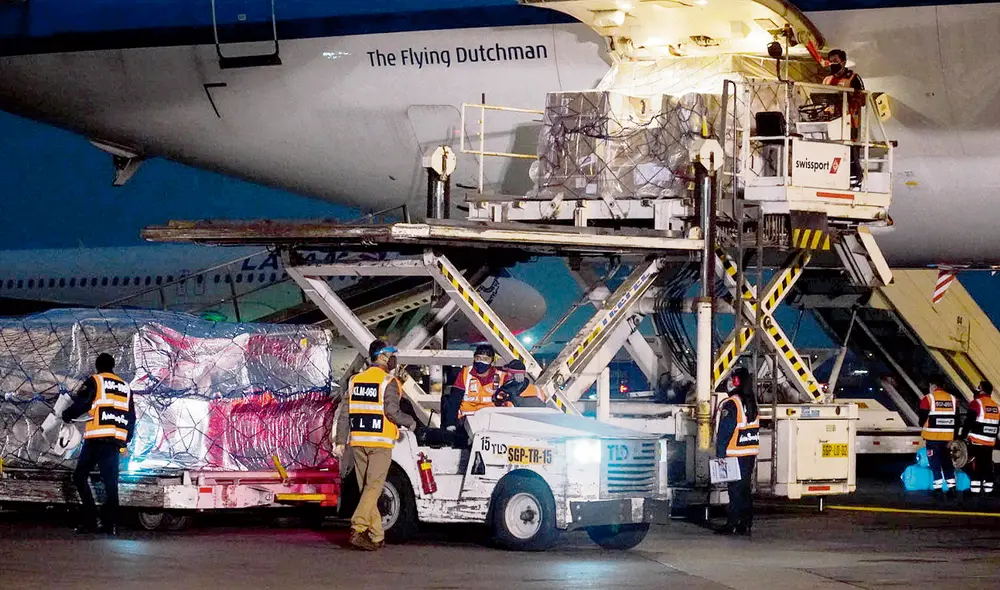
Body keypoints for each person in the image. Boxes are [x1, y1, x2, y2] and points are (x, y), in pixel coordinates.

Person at [334, 339, 416, 551]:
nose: (393, 360)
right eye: (390, 355)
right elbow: (392, 412)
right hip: (380, 443)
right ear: (382, 356)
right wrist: (411, 422)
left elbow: (345, 414)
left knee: (367, 490)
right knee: (373, 488)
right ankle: (358, 527)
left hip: (358, 442)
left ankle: (377, 535)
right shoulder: (388, 381)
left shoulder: (355, 380)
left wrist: (340, 440)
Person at [61, 353, 135, 536]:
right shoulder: (125, 387)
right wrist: (125, 441)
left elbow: (84, 402)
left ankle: (90, 520)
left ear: (97, 365)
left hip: (96, 439)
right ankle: (111, 525)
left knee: (79, 477)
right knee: (111, 484)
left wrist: (68, 414)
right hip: (114, 441)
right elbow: (131, 417)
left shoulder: (96, 381)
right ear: (113, 366)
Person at [715, 367, 759, 535]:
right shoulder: (751, 402)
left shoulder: (732, 403)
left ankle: (732, 524)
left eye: (730, 379)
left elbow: (725, 430)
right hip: (749, 453)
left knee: (734, 491)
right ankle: (745, 523)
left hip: (734, 454)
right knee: (745, 490)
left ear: (736, 382)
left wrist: (720, 453)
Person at [823, 49, 866, 185]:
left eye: (836, 61)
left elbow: (863, 99)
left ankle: (856, 177)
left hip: (850, 121)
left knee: (851, 150)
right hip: (831, 121)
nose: (833, 64)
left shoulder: (853, 78)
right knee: (831, 150)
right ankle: (833, 179)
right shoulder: (827, 79)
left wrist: (848, 97)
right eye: (831, 61)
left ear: (844, 62)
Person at [918, 376, 959, 499]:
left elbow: (922, 418)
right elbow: (957, 421)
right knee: (947, 463)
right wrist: (954, 436)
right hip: (948, 438)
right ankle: (952, 489)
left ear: (934, 386)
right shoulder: (953, 399)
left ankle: (938, 489)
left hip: (932, 438)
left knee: (935, 464)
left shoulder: (928, 398)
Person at [449, 344, 507, 421]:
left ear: (492, 361)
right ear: (474, 359)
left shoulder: (502, 376)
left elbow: (516, 394)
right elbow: (454, 399)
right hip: (467, 421)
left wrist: (518, 374)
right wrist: (451, 423)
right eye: (478, 358)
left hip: (492, 421)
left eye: (485, 359)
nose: (481, 362)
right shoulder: (465, 373)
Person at [960, 380, 999, 495]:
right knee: (987, 465)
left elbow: (968, 422)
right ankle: (988, 490)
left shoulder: (976, 403)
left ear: (981, 390)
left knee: (973, 465)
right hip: (989, 442)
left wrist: (962, 437)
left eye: (978, 387)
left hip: (976, 441)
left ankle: (975, 490)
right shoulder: (996, 406)